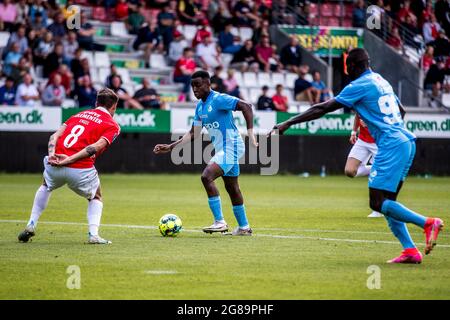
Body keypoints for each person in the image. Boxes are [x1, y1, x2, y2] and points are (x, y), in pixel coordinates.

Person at [270, 48, 444, 264]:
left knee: (377, 202)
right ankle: (410, 251)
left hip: (391, 145)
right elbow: (401, 109)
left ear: (352, 66)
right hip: (406, 140)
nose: (346, 72)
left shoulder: (358, 85)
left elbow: (323, 108)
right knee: (388, 202)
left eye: (347, 68)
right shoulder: (381, 80)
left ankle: (427, 223)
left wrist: (289, 122)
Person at [154, 70, 258, 236]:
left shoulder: (218, 99)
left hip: (232, 146)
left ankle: (220, 222)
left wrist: (251, 133)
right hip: (224, 149)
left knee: (206, 176)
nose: (195, 89)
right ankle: (244, 227)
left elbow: (246, 106)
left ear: (208, 84)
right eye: (192, 86)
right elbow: (194, 133)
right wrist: (171, 146)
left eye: (198, 85)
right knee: (232, 187)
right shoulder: (200, 106)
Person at [18, 88, 121, 244]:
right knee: (96, 196)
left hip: (55, 164)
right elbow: (93, 148)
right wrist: (69, 160)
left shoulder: (77, 115)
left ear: (96, 103)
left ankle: (31, 224)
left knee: (46, 185)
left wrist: (52, 154)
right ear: (113, 107)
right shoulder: (112, 125)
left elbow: (54, 136)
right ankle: (93, 235)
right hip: (80, 169)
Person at [346, 114, 382, 218]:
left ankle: (377, 210)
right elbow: (357, 115)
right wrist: (353, 132)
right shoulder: (360, 100)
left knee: (377, 177)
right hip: (362, 140)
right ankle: (376, 169)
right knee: (350, 171)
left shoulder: (378, 101)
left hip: (378, 141)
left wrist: (371, 123)